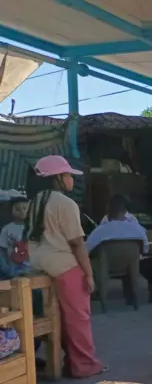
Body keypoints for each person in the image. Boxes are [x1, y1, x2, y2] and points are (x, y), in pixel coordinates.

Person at [24, 155, 106, 378]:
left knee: (58, 317)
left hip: (38, 263)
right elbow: (77, 243)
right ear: (58, 178)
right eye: (69, 175)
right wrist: (89, 275)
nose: (72, 179)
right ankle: (84, 365)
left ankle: (70, 361)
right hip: (63, 265)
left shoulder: (34, 202)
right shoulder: (65, 203)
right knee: (78, 318)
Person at [0, 197, 30, 278]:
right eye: (17, 209)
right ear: (11, 211)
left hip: (30, 267)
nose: (22, 212)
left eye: (24, 208)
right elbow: (3, 249)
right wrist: (8, 263)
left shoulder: (33, 228)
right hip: (13, 266)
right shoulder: (7, 229)